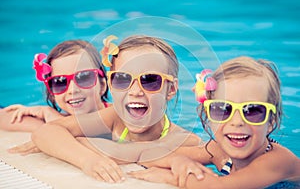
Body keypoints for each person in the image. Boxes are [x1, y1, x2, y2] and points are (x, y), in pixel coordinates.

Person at [28, 35, 201, 183]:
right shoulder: (114, 118)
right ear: (110, 83)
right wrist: (88, 160)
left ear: (170, 89)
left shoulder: (184, 139)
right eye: (122, 79)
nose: (135, 92)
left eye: (150, 80)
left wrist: (90, 144)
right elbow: (44, 133)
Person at [129, 56, 300, 188]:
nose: (237, 122)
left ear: (271, 121)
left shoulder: (278, 161)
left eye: (253, 110)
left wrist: (172, 177)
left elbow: (218, 187)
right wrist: (176, 162)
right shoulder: (217, 150)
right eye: (223, 109)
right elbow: (147, 154)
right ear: (208, 115)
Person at [0, 40, 109, 132]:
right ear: (52, 94)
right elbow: (4, 118)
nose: (72, 90)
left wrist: (55, 122)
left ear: (102, 85)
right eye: (60, 82)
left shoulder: (116, 115)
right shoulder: (52, 118)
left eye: (84, 77)